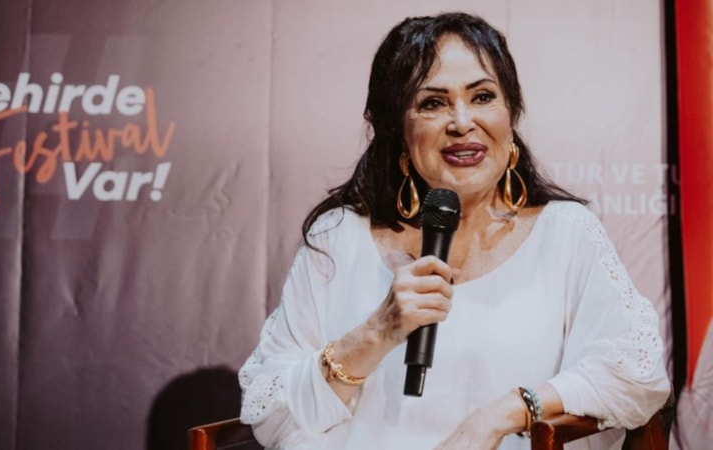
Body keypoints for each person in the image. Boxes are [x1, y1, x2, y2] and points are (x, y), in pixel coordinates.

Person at [238, 12, 671, 450]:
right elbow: (269, 411)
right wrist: (379, 331)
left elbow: (638, 375)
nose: (462, 122)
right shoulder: (337, 237)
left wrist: (503, 415)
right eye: (432, 103)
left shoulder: (566, 235)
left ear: (511, 115)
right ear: (398, 131)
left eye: (482, 97)